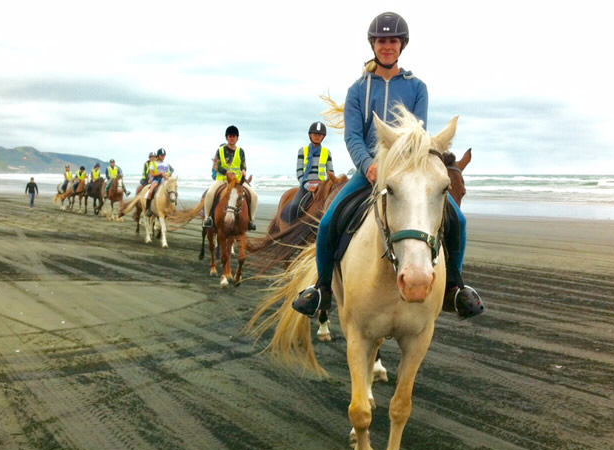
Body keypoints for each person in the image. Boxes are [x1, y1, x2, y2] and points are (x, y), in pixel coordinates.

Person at [292, 11, 484, 319]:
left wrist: (403, 164)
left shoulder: (417, 87)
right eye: (381, 41)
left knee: (457, 220)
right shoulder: (357, 90)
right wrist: (368, 165)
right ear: (373, 44)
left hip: (406, 171)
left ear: (401, 45)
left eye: (392, 41)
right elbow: (353, 136)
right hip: (369, 172)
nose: (387, 46)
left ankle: (455, 287)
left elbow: (416, 132)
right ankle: (322, 289)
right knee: (328, 221)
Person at [202, 125, 258, 231]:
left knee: (254, 196)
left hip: (237, 180)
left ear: (237, 138)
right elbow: (217, 165)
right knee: (210, 194)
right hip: (223, 179)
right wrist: (226, 172)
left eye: (234, 136)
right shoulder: (220, 150)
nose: (232, 138)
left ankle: (251, 221)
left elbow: (243, 164)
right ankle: (207, 218)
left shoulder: (241, 151)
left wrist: (244, 170)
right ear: (227, 137)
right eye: (230, 136)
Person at [285, 121, 335, 221]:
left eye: (320, 135)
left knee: (334, 207)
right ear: (310, 135)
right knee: (294, 206)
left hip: (322, 187)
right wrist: (307, 185)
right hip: (306, 185)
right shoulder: (302, 151)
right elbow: (299, 172)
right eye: (315, 134)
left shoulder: (327, 152)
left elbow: (331, 173)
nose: (317, 136)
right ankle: (291, 231)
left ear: (323, 137)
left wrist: (327, 186)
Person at [145, 148, 175, 216]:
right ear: (158, 155)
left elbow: (169, 173)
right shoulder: (153, 163)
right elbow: (152, 174)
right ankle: (148, 208)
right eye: (161, 155)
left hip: (165, 180)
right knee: (150, 191)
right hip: (156, 180)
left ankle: (173, 207)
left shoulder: (166, 164)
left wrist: (168, 175)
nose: (163, 157)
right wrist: (160, 173)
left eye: (164, 155)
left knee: (173, 191)